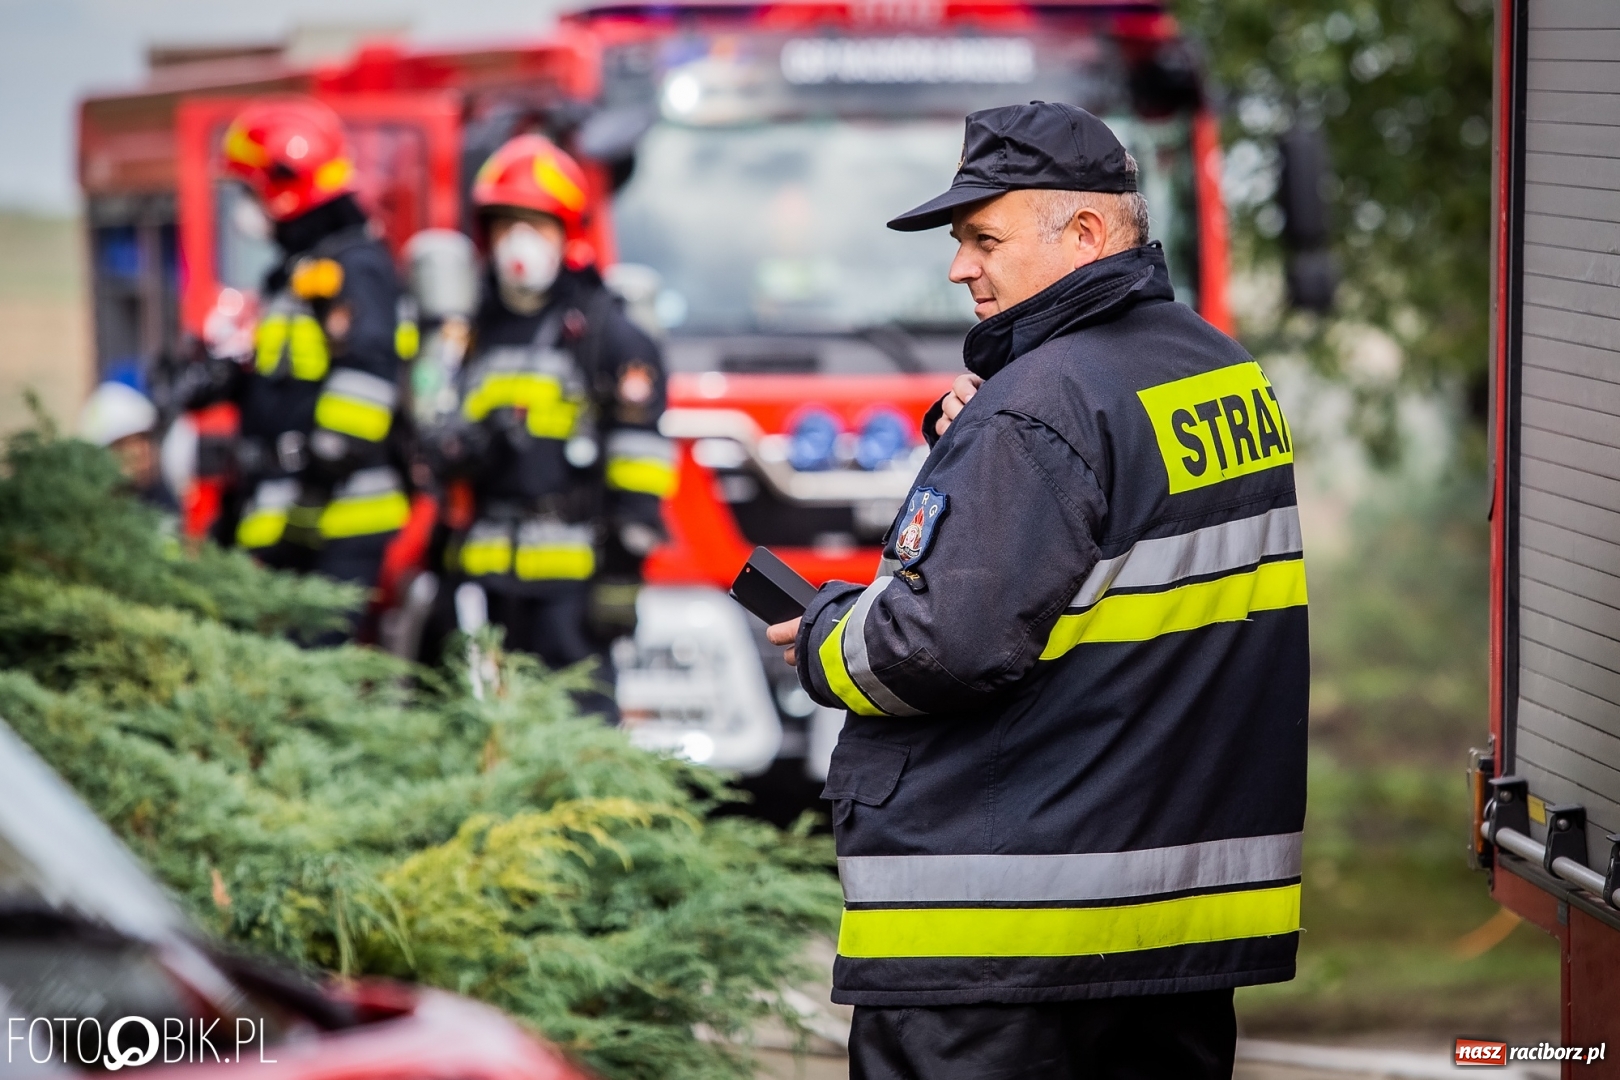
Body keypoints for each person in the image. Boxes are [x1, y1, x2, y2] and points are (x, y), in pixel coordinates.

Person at [765, 102, 1309, 1079]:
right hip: (1171, 934)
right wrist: (987, 462)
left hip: (999, 951)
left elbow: (939, 647)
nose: (957, 267)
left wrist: (822, 637)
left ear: (1088, 233)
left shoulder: (1040, 408)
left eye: (983, 238)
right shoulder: (1227, 376)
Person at [420, 134, 673, 711]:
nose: (518, 241)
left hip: (573, 583)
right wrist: (462, 447)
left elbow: (641, 462)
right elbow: (435, 429)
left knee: (580, 726)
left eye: (535, 223)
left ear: (569, 232)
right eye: (505, 223)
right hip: (484, 580)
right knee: (490, 731)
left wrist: (621, 575)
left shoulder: (607, 331)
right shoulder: (471, 332)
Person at [208, 96, 412, 626]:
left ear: (285, 187)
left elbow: (366, 382)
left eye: (249, 189)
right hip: (291, 514)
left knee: (316, 676)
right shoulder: (295, 273)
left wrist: (320, 475)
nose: (244, 207)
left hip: (341, 517)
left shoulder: (355, 269)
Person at [78, 380, 174, 509]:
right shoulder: (84, 510)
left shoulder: (161, 501)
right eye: (124, 444)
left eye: (144, 439)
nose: (141, 451)